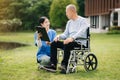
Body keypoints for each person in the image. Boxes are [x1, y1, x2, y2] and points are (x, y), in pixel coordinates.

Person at [44, 4, 90, 73]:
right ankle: (53, 65)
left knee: (67, 43)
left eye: (66, 12)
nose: (66, 14)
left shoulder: (83, 21)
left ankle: (64, 66)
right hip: (69, 42)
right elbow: (65, 34)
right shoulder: (69, 22)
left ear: (72, 11)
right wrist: (58, 36)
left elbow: (81, 32)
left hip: (80, 43)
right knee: (54, 43)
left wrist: (72, 38)